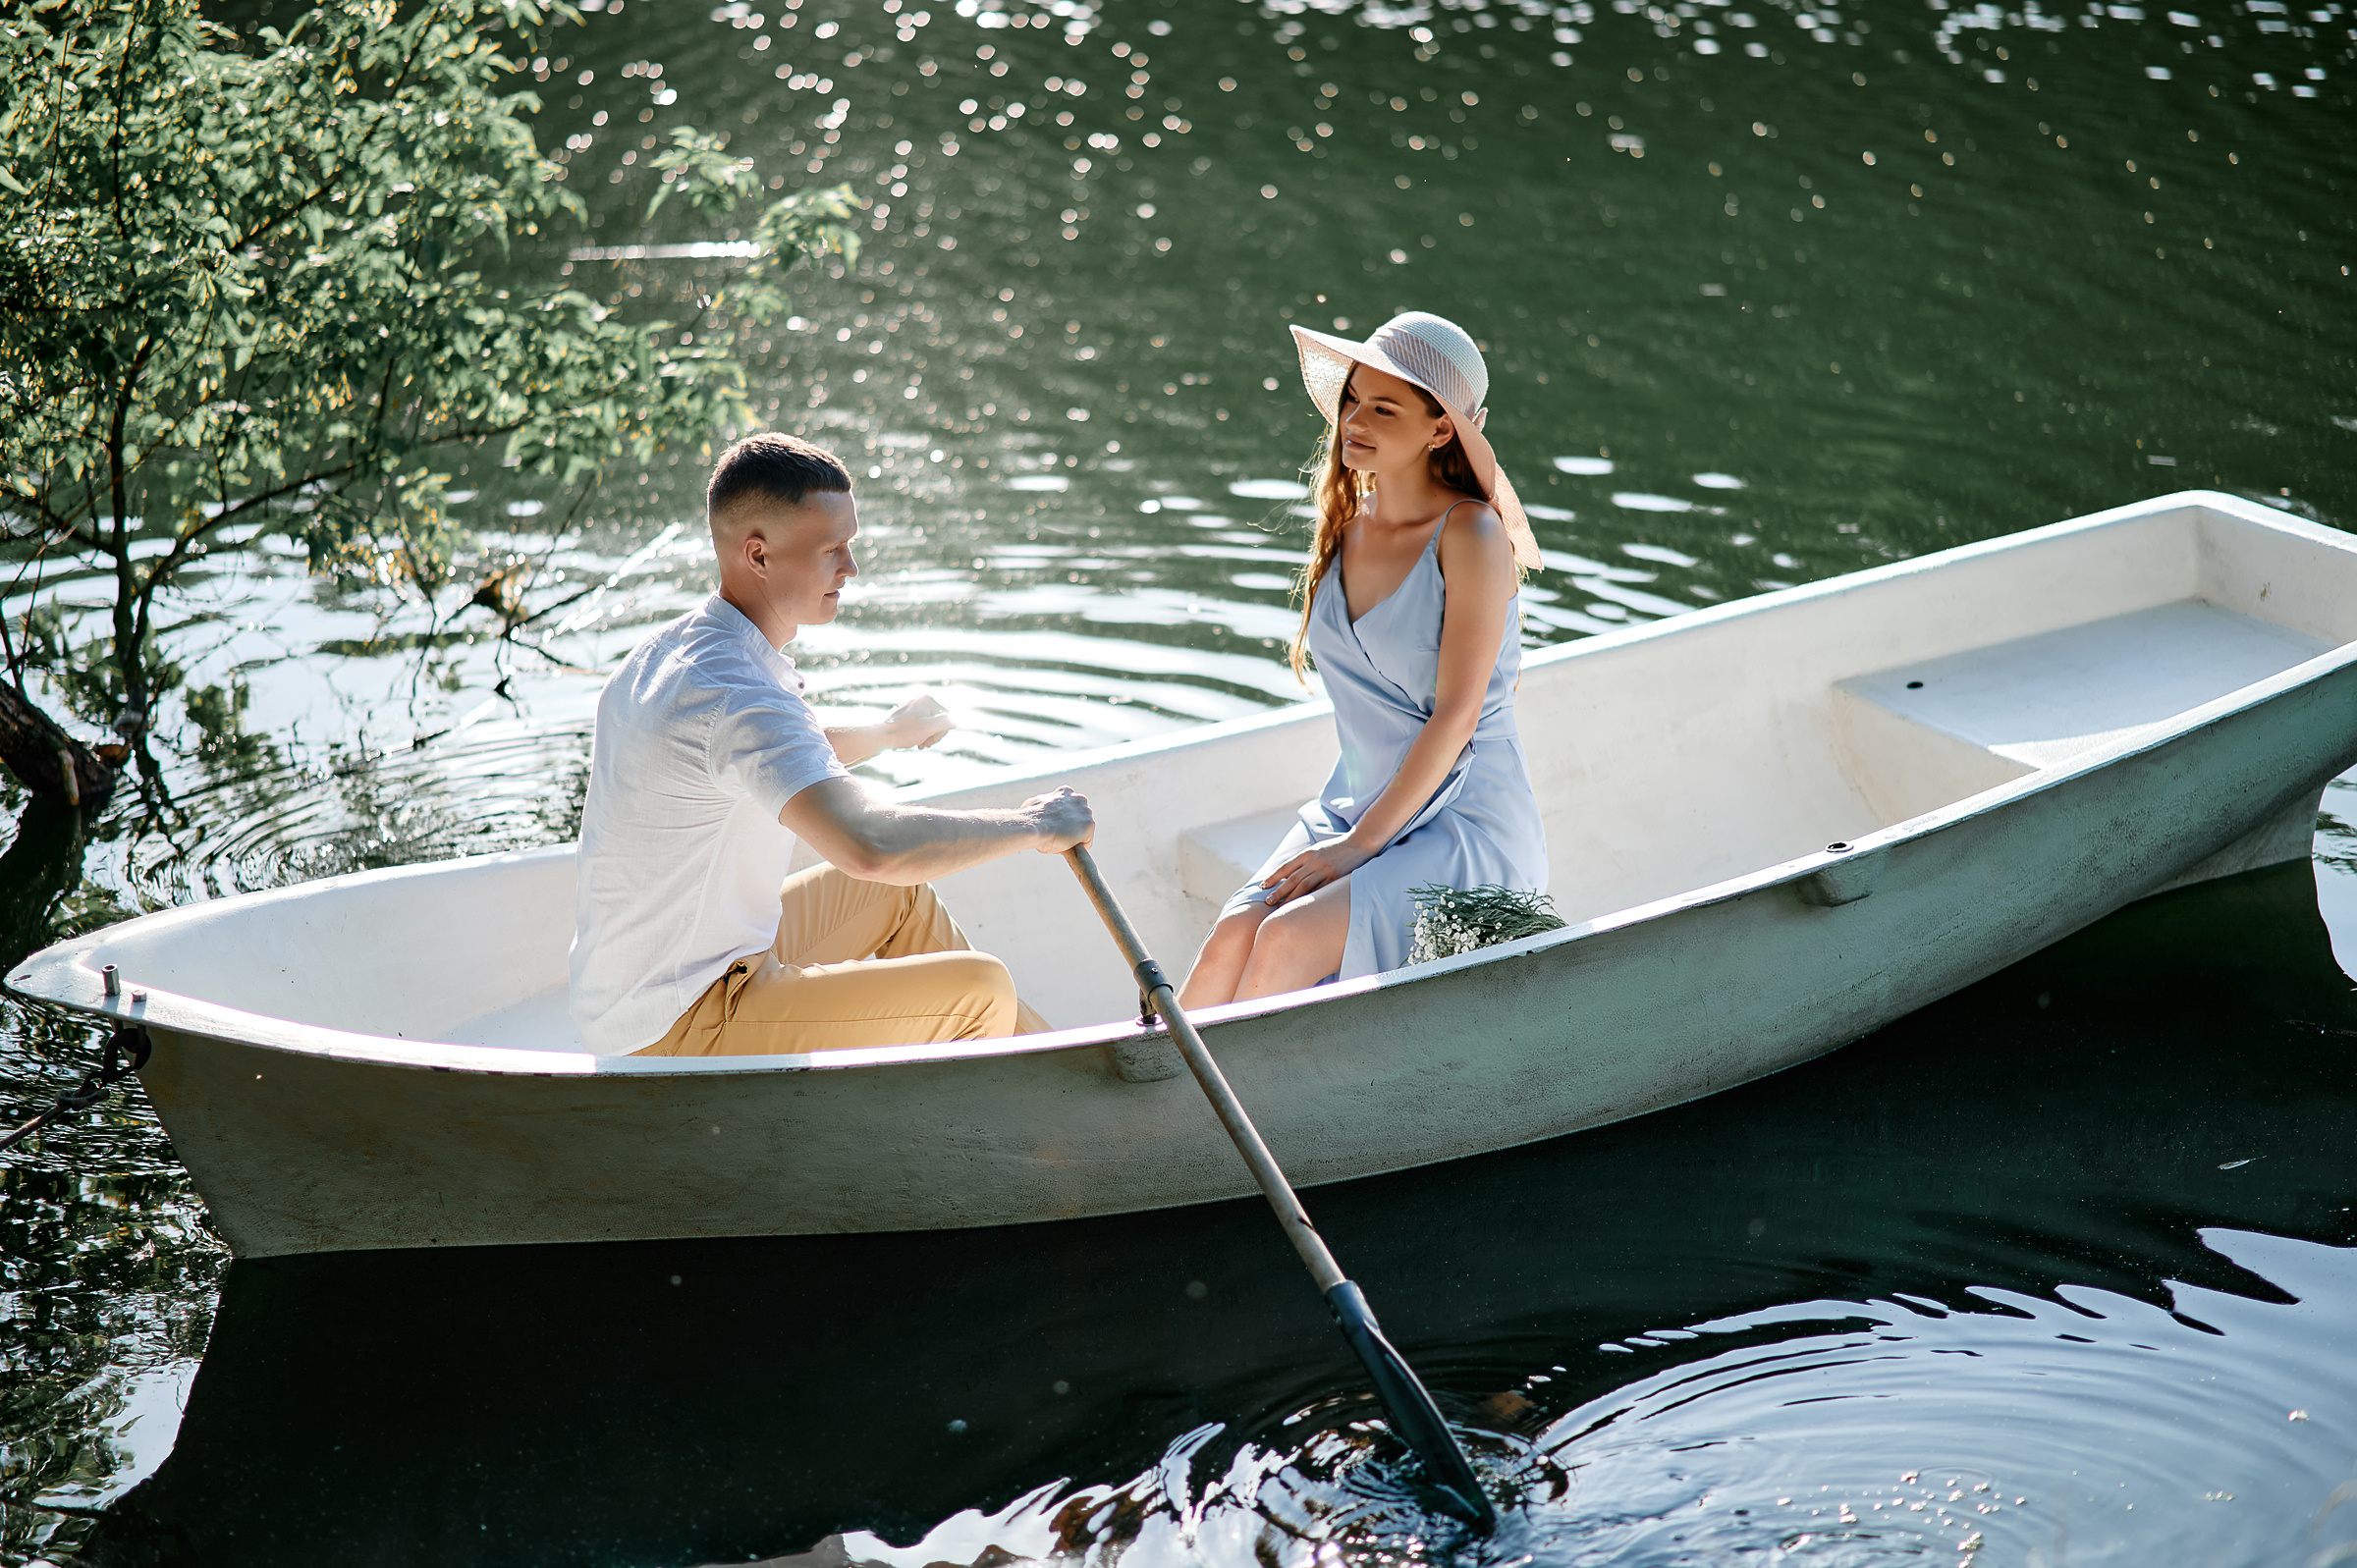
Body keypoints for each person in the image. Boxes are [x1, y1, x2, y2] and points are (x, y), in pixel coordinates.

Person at [569, 432, 1092, 1056]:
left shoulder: (678, 652)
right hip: (680, 1020)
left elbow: (778, 756)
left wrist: (888, 735)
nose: (851, 568)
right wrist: (1036, 824)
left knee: (895, 898)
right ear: (757, 555)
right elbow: (869, 846)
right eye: (832, 550)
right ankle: (1054, 1127)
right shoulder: (739, 694)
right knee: (981, 989)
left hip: (649, 981)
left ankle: (1070, 1067)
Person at [1179, 311, 1549, 1007]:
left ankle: (1243, 1106)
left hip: (1464, 816)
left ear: (1442, 428)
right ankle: (1156, 1097)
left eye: (1384, 407)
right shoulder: (1349, 526)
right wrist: (1351, 832)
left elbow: (1458, 716)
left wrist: (1360, 847)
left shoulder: (1470, 532)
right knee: (1235, 929)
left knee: (1285, 938)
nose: (1356, 419)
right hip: (1358, 799)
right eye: (1354, 398)